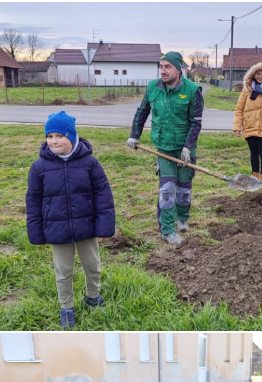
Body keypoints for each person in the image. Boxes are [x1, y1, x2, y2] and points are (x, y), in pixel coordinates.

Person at [26, 111, 115, 328]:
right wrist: (36, 232)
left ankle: (93, 296)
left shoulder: (90, 163)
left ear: (72, 137)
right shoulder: (39, 167)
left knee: (93, 266)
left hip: (86, 227)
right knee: (63, 271)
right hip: (57, 230)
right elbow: (33, 201)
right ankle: (66, 307)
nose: (54, 141)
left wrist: (103, 227)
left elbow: (103, 195)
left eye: (60, 136)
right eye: (49, 136)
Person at [127, 51, 203, 246]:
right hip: (164, 147)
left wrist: (188, 147)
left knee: (184, 189)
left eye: (168, 67)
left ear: (179, 69)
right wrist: (135, 135)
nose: (163, 71)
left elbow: (196, 122)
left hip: (184, 148)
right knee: (167, 189)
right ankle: (167, 230)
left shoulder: (193, 90)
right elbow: (142, 112)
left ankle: (182, 217)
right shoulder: (153, 88)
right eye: (161, 67)